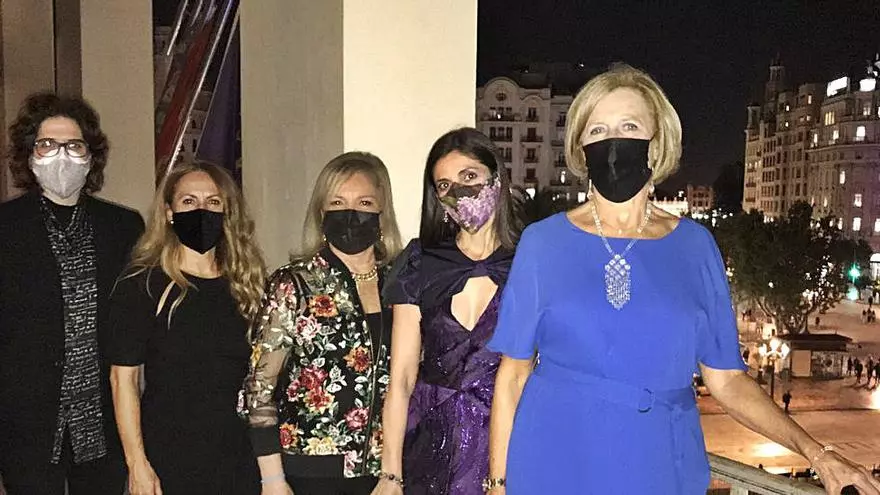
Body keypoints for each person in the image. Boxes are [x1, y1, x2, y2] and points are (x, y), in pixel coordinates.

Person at [486, 64, 880, 495]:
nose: (613, 141)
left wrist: (817, 453)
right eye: (597, 130)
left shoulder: (695, 246)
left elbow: (726, 380)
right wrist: (498, 485)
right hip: (555, 458)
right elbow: (513, 376)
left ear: (656, 145)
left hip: (660, 462)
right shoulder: (543, 242)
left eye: (629, 126)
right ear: (580, 147)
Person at [0, 93, 144, 494]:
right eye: (47, 144)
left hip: (101, 417)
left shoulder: (123, 227)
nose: (61, 155)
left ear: (90, 156)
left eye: (74, 145)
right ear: (29, 154)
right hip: (26, 419)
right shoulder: (6, 227)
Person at [242, 152, 403, 495]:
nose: (351, 213)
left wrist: (395, 473)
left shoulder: (401, 283)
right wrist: (272, 479)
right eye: (337, 203)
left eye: (364, 203)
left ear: (382, 213)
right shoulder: (293, 283)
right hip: (308, 472)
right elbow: (259, 386)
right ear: (321, 213)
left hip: (386, 471)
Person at [375, 128, 524, 495]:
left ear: (497, 179)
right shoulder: (420, 262)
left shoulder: (528, 261)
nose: (458, 192)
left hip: (508, 439)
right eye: (444, 185)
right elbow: (402, 377)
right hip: (431, 439)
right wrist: (390, 474)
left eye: (469, 176)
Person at [108, 161, 265, 494]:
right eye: (189, 201)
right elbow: (123, 380)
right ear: (169, 213)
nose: (201, 210)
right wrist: (137, 464)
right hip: (169, 457)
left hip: (238, 457)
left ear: (227, 212)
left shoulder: (247, 285)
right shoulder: (142, 285)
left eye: (213, 201)